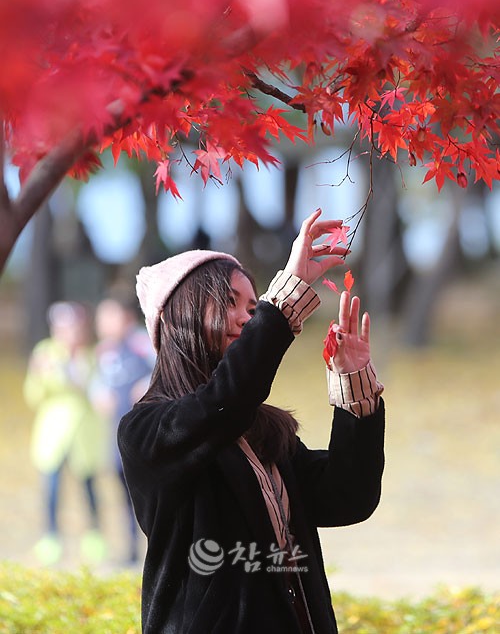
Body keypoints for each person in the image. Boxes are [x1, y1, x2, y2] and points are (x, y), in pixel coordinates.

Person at [118, 209, 385, 634]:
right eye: (229, 303)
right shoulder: (147, 431)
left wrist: (355, 393)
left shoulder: (262, 433)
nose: (247, 317)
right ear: (181, 316)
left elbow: (349, 496)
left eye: (252, 306)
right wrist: (284, 302)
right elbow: (224, 401)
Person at [23, 301, 107, 566]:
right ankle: (50, 538)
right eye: (63, 327)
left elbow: (97, 393)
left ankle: (95, 535)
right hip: (53, 434)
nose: (69, 332)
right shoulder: (45, 353)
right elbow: (32, 395)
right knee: (51, 489)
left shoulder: (92, 356)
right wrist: (40, 374)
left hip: (84, 434)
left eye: (74, 326)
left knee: (89, 487)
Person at [92, 291, 154, 564]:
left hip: (146, 436)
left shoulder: (143, 343)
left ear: (126, 317)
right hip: (117, 436)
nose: (102, 323)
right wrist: (97, 393)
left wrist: (147, 385)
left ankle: (156, 549)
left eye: (108, 316)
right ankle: (129, 549)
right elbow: (96, 381)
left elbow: (164, 367)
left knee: (150, 496)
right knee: (125, 495)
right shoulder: (104, 351)